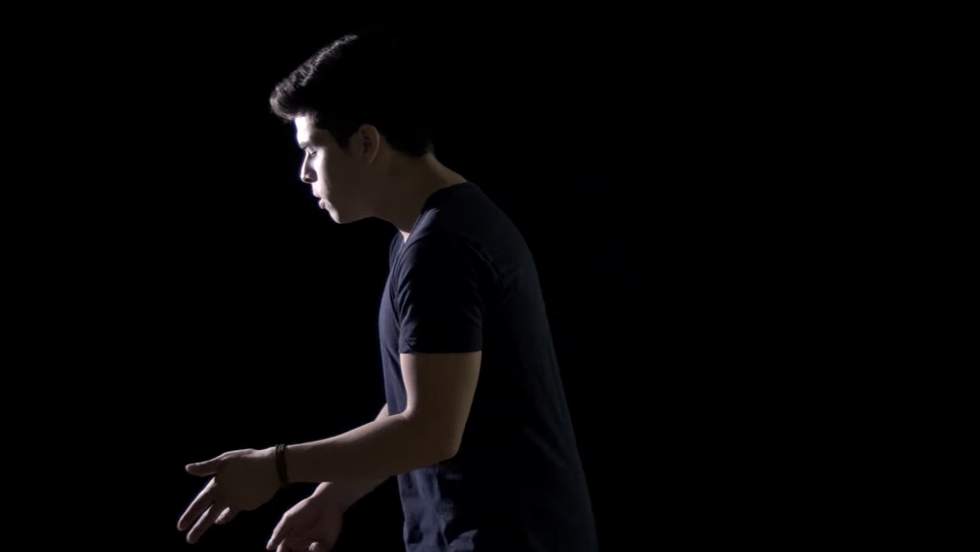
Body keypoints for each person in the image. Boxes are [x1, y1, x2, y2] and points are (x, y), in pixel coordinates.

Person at [176, 29, 598, 552]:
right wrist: (333, 496)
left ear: (366, 143)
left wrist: (277, 467)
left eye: (312, 150)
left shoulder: (441, 249)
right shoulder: (432, 231)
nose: (304, 173)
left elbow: (430, 431)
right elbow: (419, 400)